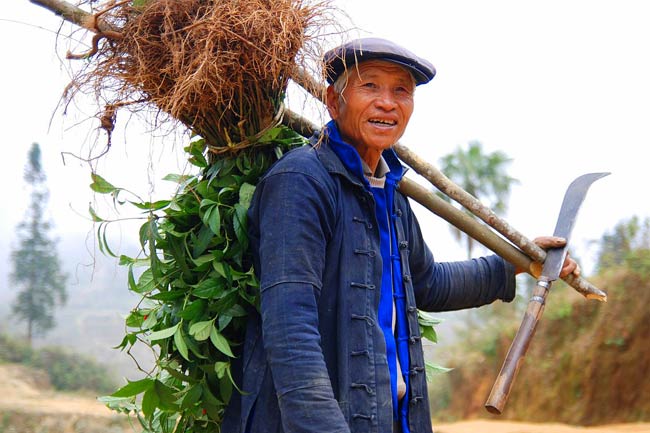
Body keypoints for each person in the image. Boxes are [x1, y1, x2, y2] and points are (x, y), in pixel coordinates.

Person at [222, 37, 579, 433]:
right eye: (370, 86)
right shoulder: (301, 182)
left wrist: (517, 263)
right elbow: (291, 327)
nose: (387, 103)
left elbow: (427, 283)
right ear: (333, 100)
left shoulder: (391, 192)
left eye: (401, 91)